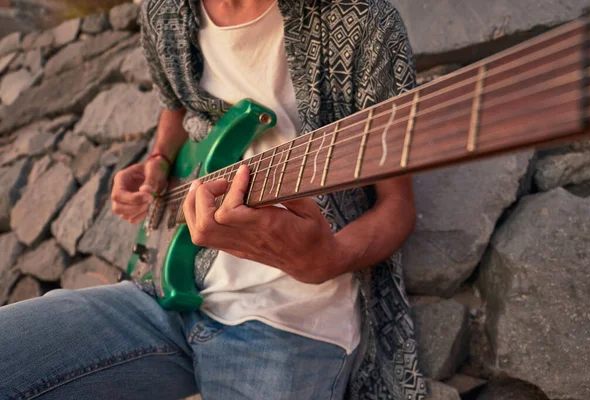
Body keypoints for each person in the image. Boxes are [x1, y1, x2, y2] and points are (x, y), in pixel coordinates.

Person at [0, 0, 426, 398]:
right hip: (163, 288)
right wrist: (158, 159)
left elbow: (397, 206)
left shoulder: (362, 24)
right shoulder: (165, 12)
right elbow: (176, 106)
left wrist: (330, 259)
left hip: (291, 320)